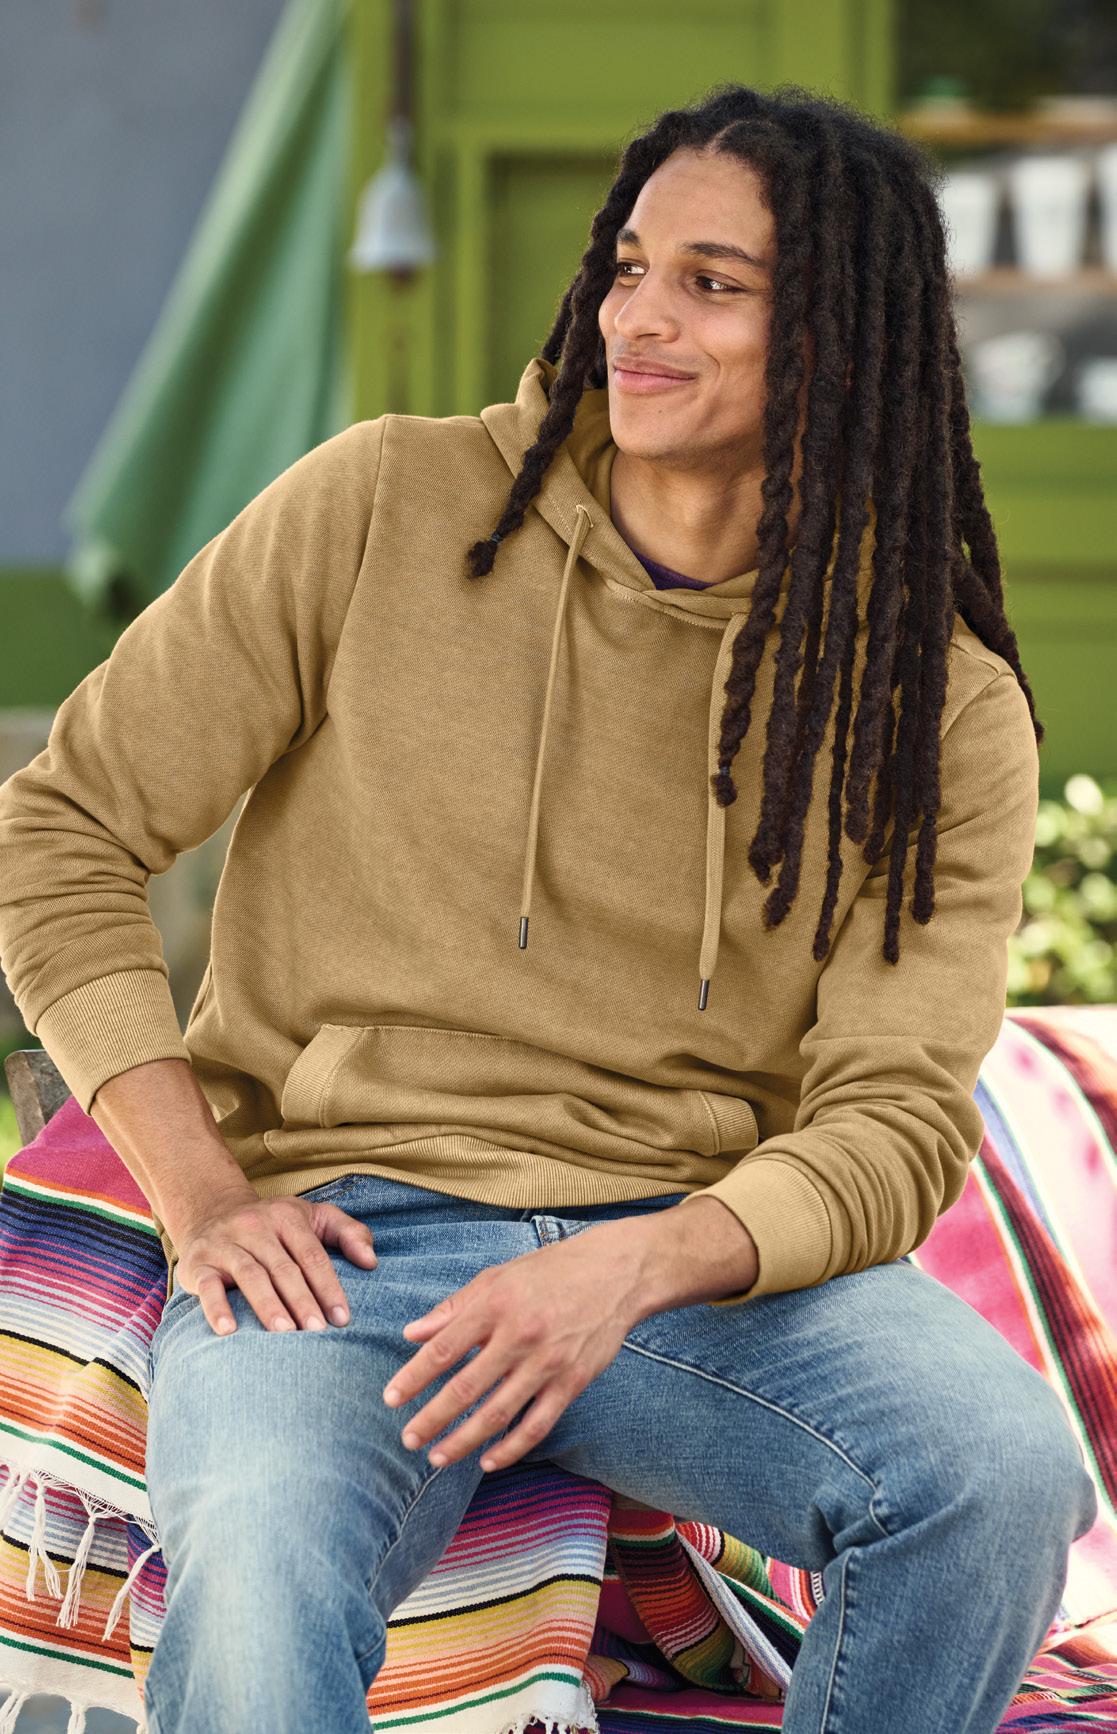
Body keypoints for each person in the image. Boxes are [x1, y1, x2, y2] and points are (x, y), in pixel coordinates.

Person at [0, 81, 1097, 1734]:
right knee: (261, 1549)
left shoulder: (923, 701)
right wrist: (203, 1190)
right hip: (345, 1236)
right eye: (629, 266)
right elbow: (62, 825)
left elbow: (891, 1115)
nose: (636, 318)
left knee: (993, 1474)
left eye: (711, 285)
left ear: (836, 342)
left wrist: (636, 1265)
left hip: (691, 1259)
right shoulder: (380, 505)